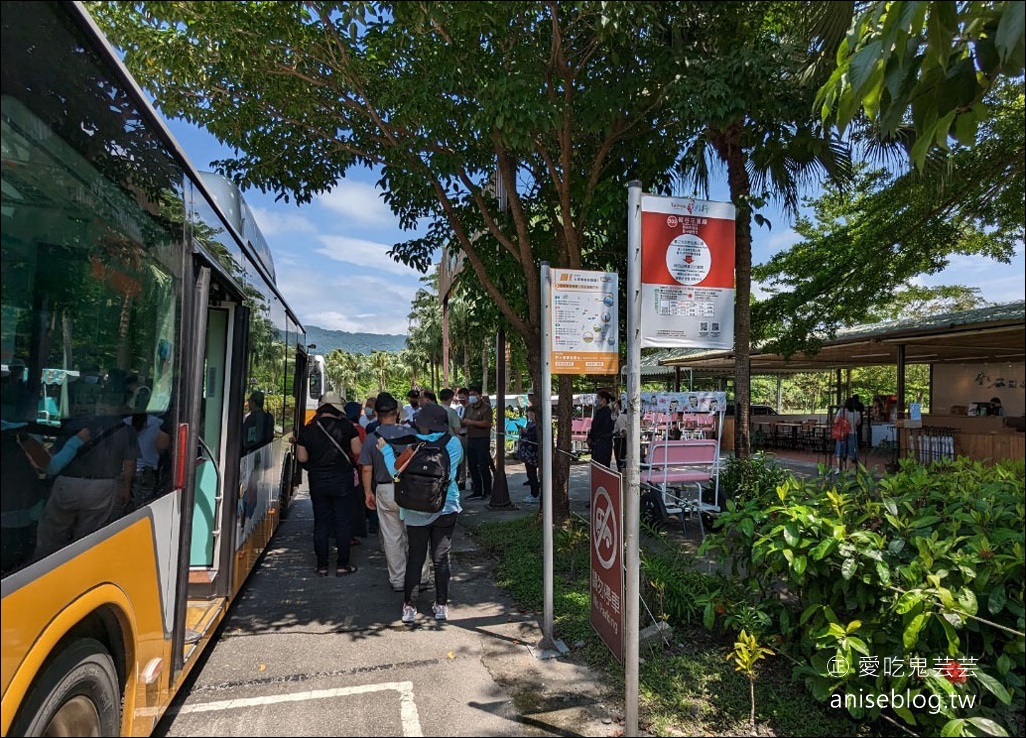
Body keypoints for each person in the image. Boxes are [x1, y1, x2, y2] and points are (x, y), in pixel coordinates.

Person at [376, 403, 463, 623]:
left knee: (415, 557)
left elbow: (396, 470)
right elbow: (452, 471)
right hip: (446, 506)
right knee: (441, 557)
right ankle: (441, 605)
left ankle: (409, 607)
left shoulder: (414, 445)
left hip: (415, 508)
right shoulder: (454, 444)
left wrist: (386, 449)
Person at [34, 386, 140, 560]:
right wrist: (126, 489)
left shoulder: (76, 424)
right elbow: (129, 464)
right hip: (102, 486)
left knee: (52, 534)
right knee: (89, 537)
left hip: (68, 483)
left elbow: (53, 454)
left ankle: (45, 568)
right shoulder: (126, 430)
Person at [358, 392, 431, 592]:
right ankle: (422, 577)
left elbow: (366, 468)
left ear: (376, 414)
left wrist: (367, 493)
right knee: (416, 533)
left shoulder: (372, 437)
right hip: (411, 488)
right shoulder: (411, 435)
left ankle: (398, 580)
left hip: (385, 489)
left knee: (392, 537)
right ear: (397, 412)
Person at [295, 391, 362, 577]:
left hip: (318, 481)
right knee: (343, 522)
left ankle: (322, 566)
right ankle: (342, 565)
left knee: (321, 523)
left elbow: (301, 457)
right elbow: (357, 450)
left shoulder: (308, 429)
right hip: (343, 481)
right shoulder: (347, 427)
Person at [461, 385, 492, 500]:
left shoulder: (486, 408)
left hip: (482, 439)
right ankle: (477, 490)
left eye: (474, 394)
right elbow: (464, 421)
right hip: (471, 438)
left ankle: (487, 490)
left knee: (483, 465)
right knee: (472, 466)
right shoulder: (468, 407)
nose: (472, 397)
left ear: (479, 395)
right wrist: (462, 422)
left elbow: (487, 424)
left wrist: (472, 422)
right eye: (470, 395)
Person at [517, 406, 540, 503]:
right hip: (527, 453)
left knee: (532, 474)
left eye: (532, 412)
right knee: (530, 473)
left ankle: (535, 494)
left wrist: (527, 432)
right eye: (528, 412)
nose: (529, 414)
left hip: (534, 452)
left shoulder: (538, 425)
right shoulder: (530, 423)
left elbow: (535, 437)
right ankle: (533, 493)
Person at [587, 390, 615, 469]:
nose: (597, 400)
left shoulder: (601, 413)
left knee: (598, 467)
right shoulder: (610, 412)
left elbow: (595, 427)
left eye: (598, 398)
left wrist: (590, 437)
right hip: (607, 443)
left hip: (599, 442)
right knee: (606, 466)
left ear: (603, 400)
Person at [833, 398, 861, 472]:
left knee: (839, 451)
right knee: (850, 452)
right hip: (853, 433)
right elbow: (858, 423)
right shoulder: (856, 412)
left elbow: (835, 421)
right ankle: (847, 468)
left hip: (841, 433)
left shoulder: (841, 411)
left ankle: (839, 468)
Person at [613, 399, 629, 472]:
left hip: (621, 441)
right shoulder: (631, 416)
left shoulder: (621, 417)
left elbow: (623, 432)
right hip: (628, 441)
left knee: (620, 460)